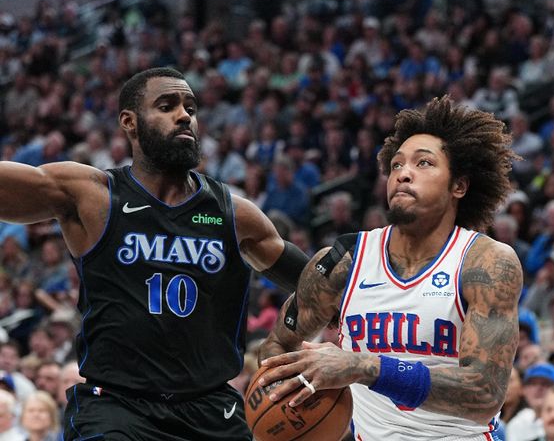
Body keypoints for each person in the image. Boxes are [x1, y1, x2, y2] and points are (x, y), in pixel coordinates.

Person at [0, 68, 309, 440]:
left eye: (190, 107)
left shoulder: (234, 213)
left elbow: (315, 284)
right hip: (116, 407)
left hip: (210, 410)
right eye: (167, 106)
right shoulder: (94, 195)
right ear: (129, 123)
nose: (184, 115)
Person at [259, 96, 523, 439]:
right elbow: (277, 346)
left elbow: (484, 393)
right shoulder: (345, 260)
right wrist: (288, 404)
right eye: (396, 165)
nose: (404, 173)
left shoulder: (485, 262)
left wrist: (363, 366)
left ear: (459, 185)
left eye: (424, 163)